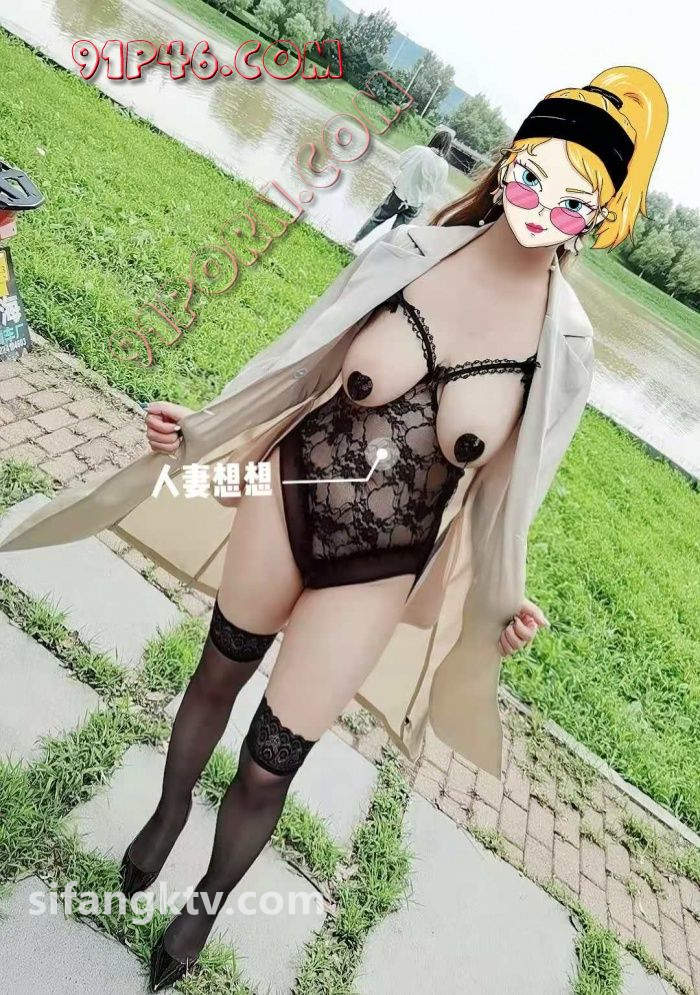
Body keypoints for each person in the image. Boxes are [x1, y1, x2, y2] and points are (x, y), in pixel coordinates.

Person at [0, 66, 667, 992]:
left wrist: (500, 608)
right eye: (534, 172)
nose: (542, 203)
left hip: (383, 564)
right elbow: (302, 358)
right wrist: (205, 427)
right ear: (512, 159)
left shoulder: (568, 346)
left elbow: (509, 501)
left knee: (271, 763)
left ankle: (205, 904)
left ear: (600, 218)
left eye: (573, 197)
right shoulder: (413, 248)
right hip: (287, 491)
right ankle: (167, 810)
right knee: (216, 674)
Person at [350, 128, 452, 244]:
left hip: (399, 195)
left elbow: (401, 163)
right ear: (447, 147)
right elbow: (436, 188)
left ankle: (353, 242)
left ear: (434, 139)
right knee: (396, 233)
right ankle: (382, 253)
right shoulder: (444, 166)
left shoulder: (419, 150)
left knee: (376, 219)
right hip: (416, 204)